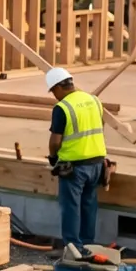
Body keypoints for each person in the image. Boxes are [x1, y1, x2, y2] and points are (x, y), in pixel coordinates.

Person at [44, 67, 107, 252]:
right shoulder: (94, 100)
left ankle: (73, 248)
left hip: (74, 167)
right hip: (96, 163)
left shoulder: (62, 108)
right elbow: (100, 126)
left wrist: (53, 157)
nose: (54, 95)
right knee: (89, 205)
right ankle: (87, 244)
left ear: (57, 87)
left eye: (53, 91)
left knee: (71, 208)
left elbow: (55, 141)